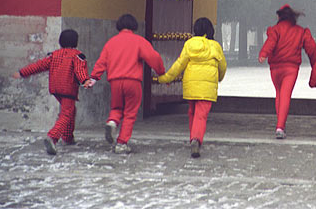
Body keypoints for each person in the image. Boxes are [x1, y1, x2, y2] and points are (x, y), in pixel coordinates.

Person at [86, 14, 165, 154]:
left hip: (115, 81)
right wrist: (161, 72)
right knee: (130, 112)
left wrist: (94, 77)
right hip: (132, 81)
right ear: (134, 26)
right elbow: (153, 57)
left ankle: (112, 122)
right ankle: (122, 143)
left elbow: (102, 61)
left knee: (116, 108)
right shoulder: (139, 41)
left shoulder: (111, 42)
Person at [158, 17, 227, 158]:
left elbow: (179, 64)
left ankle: (193, 137)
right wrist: (219, 78)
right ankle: (196, 139)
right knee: (201, 116)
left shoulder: (189, 44)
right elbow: (223, 67)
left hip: (191, 86)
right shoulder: (215, 46)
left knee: (192, 113)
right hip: (207, 88)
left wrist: (166, 78)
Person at [13, 29, 89, 155]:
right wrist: (85, 81)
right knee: (67, 113)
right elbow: (80, 71)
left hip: (55, 88)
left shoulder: (53, 55)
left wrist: (22, 73)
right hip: (68, 88)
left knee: (70, 111)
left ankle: (68, 137)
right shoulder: (77, 56)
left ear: (60, 42)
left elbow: (38, 66)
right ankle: (53, 137)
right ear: (76, 42)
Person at [259, 4, 316, 139]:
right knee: (285, 95)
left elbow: (271, 42)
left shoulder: (275, 30)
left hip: (275, 68)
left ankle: (280, 124)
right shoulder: (301, 32)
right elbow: (312, 49)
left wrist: (263, 53)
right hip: (291, 68)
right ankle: (280, 127)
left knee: (279, 94)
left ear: (279, 16)